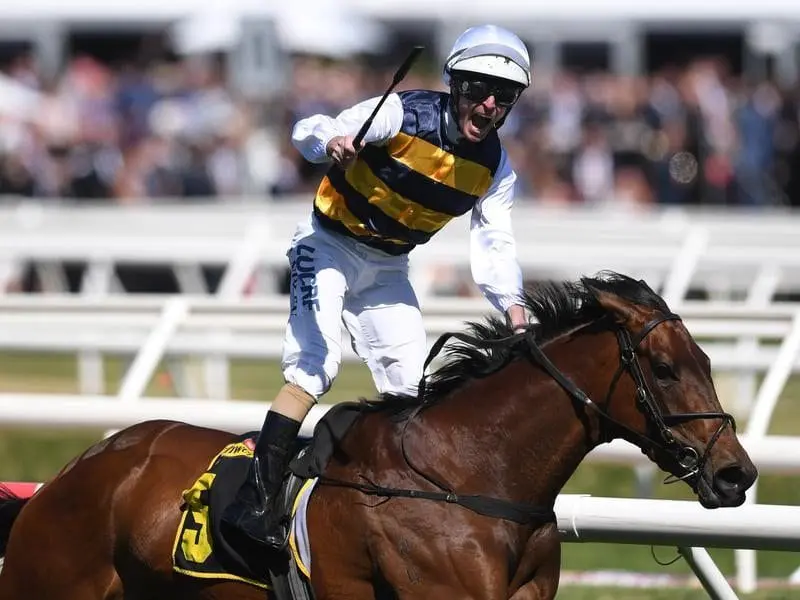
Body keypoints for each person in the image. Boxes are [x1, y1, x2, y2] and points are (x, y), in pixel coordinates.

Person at [221, 24, 533, 551]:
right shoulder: (400, 111)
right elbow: (310, 127)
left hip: (389, 267)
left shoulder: (496, 166)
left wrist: (515, 308)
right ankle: (252, 500)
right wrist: (334, 141)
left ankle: (394, 510)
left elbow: (495, 241)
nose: (488, 106)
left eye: (502, 97)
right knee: (316, 363)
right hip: (327, 245)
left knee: (412, 390)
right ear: (455, 84)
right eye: (478, 90)